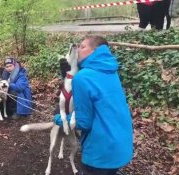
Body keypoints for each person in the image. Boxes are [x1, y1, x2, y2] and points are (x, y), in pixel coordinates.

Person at [54, 36, 133, 175]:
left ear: (95, 51)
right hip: (122, 146)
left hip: (101, 152)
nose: (78, 50)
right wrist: (67, 75)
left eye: (82, 47)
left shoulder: (82, 77)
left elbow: (83, 122)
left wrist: (59, 119)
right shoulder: (109, 69)